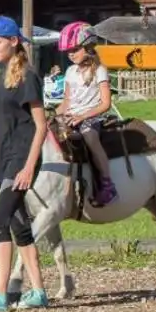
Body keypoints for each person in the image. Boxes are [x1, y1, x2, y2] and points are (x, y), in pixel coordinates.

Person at [0, 16, 50, 312]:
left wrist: (29, 167)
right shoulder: (5, 77)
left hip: (20, 161)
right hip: (4, 157)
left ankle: (0, 295)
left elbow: (41, 126)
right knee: (19, 224)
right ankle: (39, 291)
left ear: (14, 41)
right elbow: (12, 123)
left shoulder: (28, 77)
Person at [56, 21, 117, 206]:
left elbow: (106, 103)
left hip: (92, 117)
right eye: (68, 51)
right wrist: (54, 114)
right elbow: (67, 101)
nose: (71, 54)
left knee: (89, 136)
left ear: (88, 47)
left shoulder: (100, 70)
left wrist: (83, 117)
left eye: (75, 49)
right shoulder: (69, 72)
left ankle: (107, 184)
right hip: (71, 116)